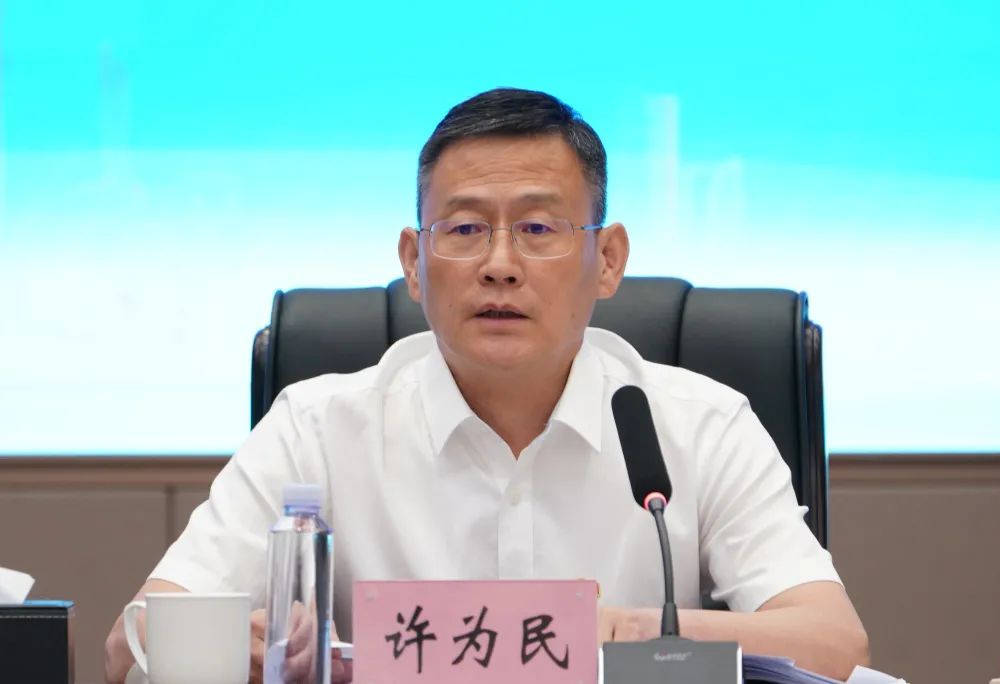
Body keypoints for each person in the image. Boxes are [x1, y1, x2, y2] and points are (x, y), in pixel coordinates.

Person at [105, 87, 869, 683]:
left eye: (538, 229)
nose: (500, 264)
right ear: (414, 262)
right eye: (466, 229)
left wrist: (619, 631)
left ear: (607, 260)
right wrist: (225, 649)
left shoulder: (701, 426)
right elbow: (129, 643)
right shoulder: (316, 425)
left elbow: (832, 642)